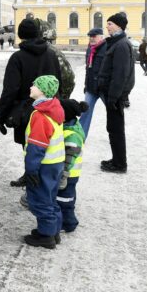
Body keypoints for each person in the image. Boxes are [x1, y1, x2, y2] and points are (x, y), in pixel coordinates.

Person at [0, 18, 62, 187]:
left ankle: (32, 176)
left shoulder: (18, 58)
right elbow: (58, 83)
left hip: (25, 110)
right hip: (49, 108)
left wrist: (1, 116)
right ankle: (38, 175)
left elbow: (10, 89)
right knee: (46, 144)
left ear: (20, 35)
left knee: (29, 145)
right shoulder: (51, 54)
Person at [22, 75, 65, 249]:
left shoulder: (40, 115)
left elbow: (37, 146)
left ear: (43, 91)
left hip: (44, 165)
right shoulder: (54, 109)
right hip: (56, 162)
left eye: (36, 85)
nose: (31, 86)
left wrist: (31, 169)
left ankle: (46, 236)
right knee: (50, 197)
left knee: (40, 199)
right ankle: (54, 230)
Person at [97, 13, 135, 173]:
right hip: (113, 95)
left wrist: (113, 97)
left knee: (116, 129)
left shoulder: (120, 45)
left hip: (115, 96)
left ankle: (120, 164)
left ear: (119, 26)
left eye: (110, 24)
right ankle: (117, 159)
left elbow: (120, 74)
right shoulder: (118, 42)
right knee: (113, 128)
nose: (107, 26)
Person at [57, 99, 87, 233]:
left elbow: (69, 158)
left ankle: (69, 223)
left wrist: (63, 173)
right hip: (69, 174)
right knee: (67, 197)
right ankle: (66, 220)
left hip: (69, 174)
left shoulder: (72, 135)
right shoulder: (70, 127)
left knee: (65, 200)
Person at [81, 27, 107, 138]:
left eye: (94, 36)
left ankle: (115, 136)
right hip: (91, 88)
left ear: (101, 36)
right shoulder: (89, 49)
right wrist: (86, 85)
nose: (91, 38)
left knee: (112, 113)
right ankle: (80, 137)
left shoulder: (107, 48)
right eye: (90, 36)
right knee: (85, 112)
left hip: (104, 89)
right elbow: (88, 69)